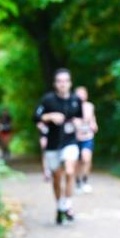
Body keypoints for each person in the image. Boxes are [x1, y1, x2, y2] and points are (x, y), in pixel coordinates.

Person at [34, 69, 84, 225]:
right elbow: (35, 116)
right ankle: (60, 207)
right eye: (59, 81)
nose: (63, 84)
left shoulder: (76, 100)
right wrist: (49, 116)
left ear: (70, 83)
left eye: (65, 81)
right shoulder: (48, 100)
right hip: (53, 143)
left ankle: (68, 205)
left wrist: (78, 123)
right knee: (56, 178)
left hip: (70, 142)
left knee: (69, 171)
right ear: (55, 84)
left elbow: (81, 118)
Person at [73, 86, 98, 193]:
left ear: (86, 95)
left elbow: (92, 119)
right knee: (77, 162)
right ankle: (77, 182)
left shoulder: (90, 106)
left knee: (86, 158)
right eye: (79, 94)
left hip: (88, 137)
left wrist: (94, 125)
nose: (81, 96)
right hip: (75, 138)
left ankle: (85, 181)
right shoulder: (72, 106)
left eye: (83, 93)